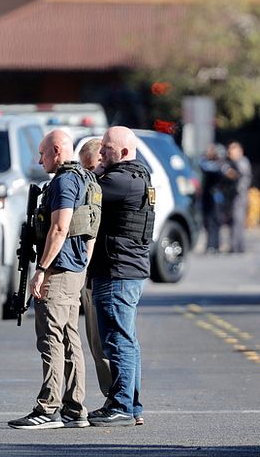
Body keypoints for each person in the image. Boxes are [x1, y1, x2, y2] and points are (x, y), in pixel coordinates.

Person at [8, 130, 95, 430]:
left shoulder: (64, 182)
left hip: (59, 271)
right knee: (71, 340)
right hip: (75, 269)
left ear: (57, 150)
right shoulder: (84, 178)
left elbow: (60, 228)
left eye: (43, 152)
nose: (39, 158)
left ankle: (48, 408)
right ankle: (74, 408)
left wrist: (41, 269)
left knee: (51, 340)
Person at [87, 126, 155, 427]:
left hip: (117, 272)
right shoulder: (139, 176)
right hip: (126, 269)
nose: (101, 154)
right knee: (126, 339)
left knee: (116, 340)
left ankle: (121, 405)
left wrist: (96, 171)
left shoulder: (121, 179)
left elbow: (84, 193)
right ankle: (131, 404)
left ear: (124, 153)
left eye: (106, 149)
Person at [77, 138, 111, 402]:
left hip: (98, 274)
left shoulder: (104, 188)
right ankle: (120, 399)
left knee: (101, 344)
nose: (88, 175)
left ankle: (117, 399)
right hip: (102, 273)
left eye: (90, 168)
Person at [223, 141, 252, 254]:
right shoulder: (234, 162)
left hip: (240, 195)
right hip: (235, 195)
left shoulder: (242, 162)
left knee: (237, 220)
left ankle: (236, 246)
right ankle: (237, 246)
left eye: (232, 150)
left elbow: (240, 176)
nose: (230, 153)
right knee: (235, 220)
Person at [199, 144, 227, 253]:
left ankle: (214, 245)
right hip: (209, 196)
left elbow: (205, 166)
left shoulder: (219, 165)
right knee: (209, 221)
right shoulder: (211, 164)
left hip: (216, 197)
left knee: (215, 221)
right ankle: (211, 245)